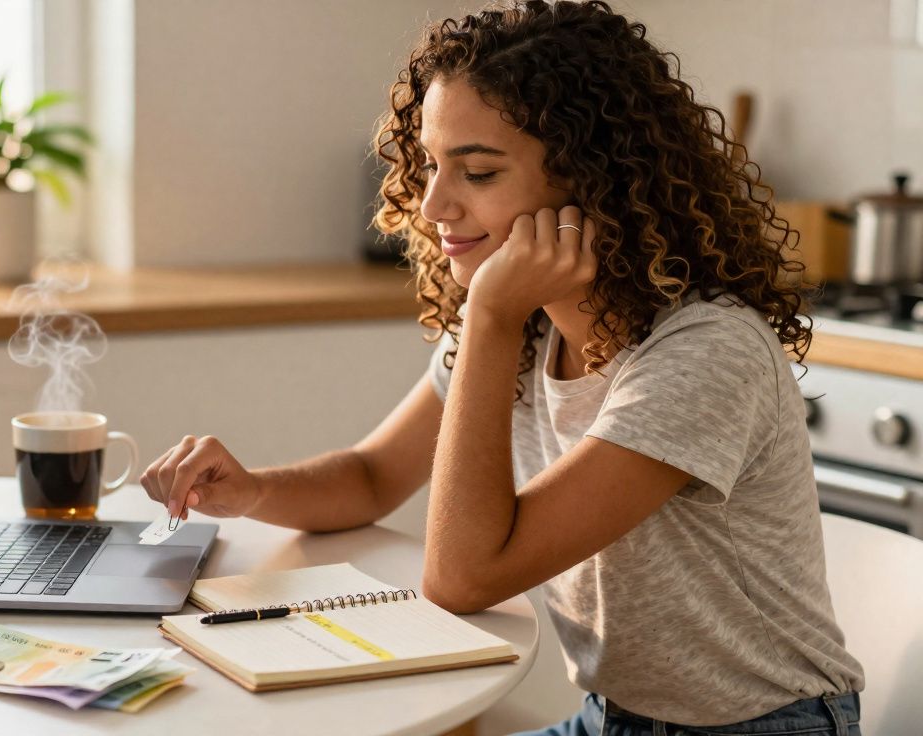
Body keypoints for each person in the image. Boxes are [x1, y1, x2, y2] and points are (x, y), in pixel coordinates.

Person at [139, 2, 864, 734]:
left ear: (595, 179)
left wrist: (488, 317)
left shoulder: (704, 352)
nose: (432, 205)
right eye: (427, 164)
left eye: (478, 171)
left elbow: (463, 577)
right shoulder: (527, 328)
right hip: (612, 720)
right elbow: (370, 477)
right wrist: (253, 489)